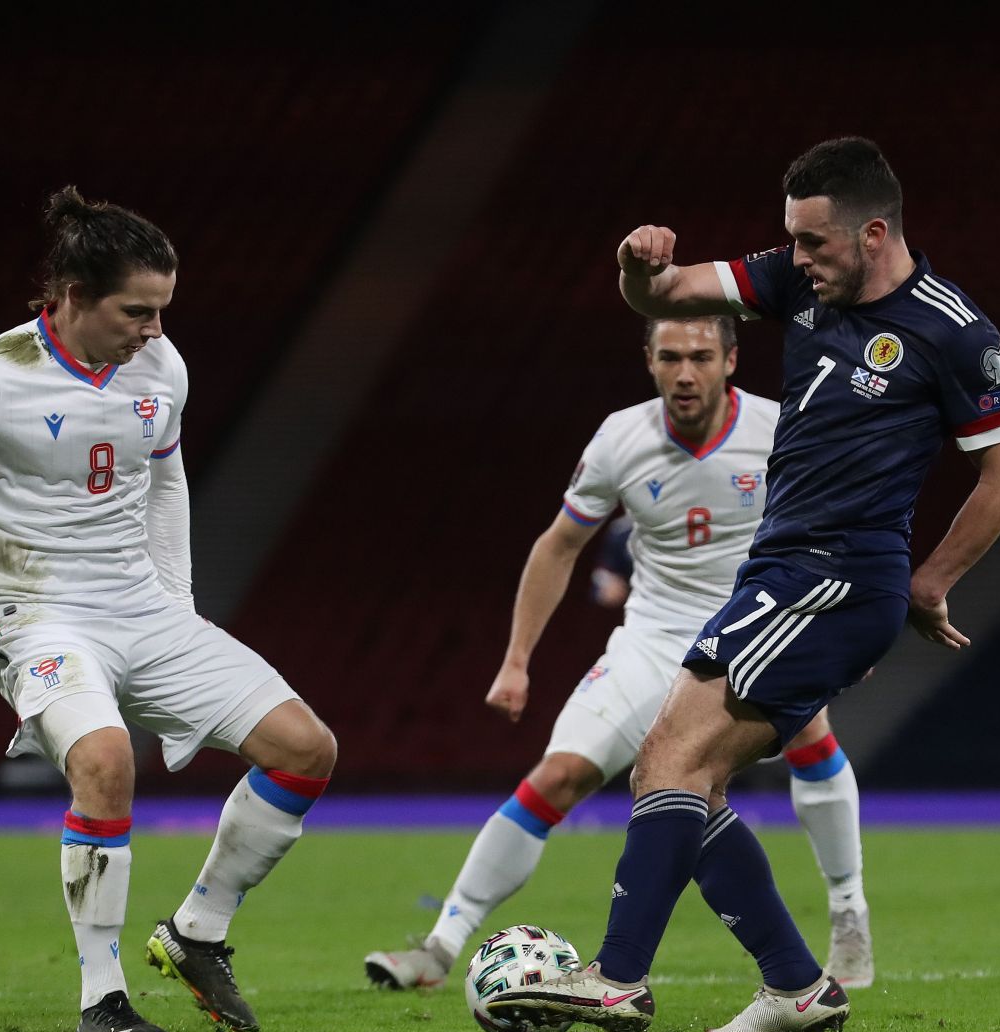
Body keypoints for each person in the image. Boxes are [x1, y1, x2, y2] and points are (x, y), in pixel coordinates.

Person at [488, 136, 1000, 1032]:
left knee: (668, 759)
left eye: (814, 243)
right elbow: (663, 296)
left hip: (837, 578)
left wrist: (929, 583)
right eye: (793, 241)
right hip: (782, 573)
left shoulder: (952, 330)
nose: (798, 258)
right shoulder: (799, 282)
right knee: (689, 782)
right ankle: (797, 988)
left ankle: (619, 977)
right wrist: (635, 269)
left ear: (874, 233)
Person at [0, 187, 337, 1032]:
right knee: (105, 759)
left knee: (307, 750)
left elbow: (165, 486)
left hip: (142, 610)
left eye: (163, 308)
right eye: (137, 309)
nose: (154, 328)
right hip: (37, 614)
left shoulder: (162, 367)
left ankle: (198, 932)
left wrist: (179, 608)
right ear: (73, 298)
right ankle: (102, 999)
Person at [362, 317, 872, 992]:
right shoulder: (619, 438)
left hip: (753, 630)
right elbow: (559, 544)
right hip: (653, 638)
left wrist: (850, 625)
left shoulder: (780, 430)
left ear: (730, 360)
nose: (685, 372)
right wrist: (517, 659)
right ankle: (439, 947)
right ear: (649, 361)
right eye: (670, 357)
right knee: (558, 775)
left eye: (700, 357)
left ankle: (847, 916)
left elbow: (844, 525)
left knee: (809, 732)